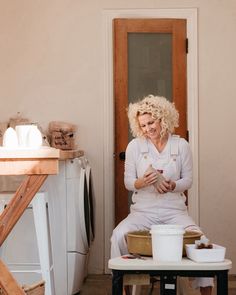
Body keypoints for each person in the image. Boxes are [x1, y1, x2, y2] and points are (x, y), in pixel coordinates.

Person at [110, 94, 213, 295]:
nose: (148, 129)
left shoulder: (181, 145)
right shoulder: (135, 146)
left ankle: (206, 292)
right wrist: (143, 182)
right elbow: (128, 182)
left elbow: (188, 181)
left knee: (202, 241)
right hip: (143, 213)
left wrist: (173, 184)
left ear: (163, 119)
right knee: (118, 235)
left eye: (151, 122)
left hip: (174, 212)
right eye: (143, 125)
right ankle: (121, 290)